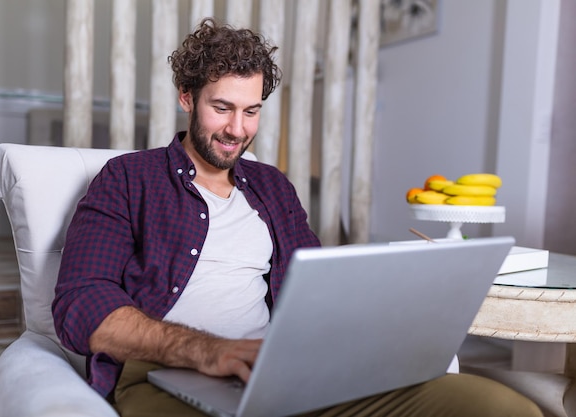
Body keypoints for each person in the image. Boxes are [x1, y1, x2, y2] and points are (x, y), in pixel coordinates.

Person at [53, 18, 542, 417]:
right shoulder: (127, 179)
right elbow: (80, 304)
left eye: (252, 111)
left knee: (499, 406)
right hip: (168, 375)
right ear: (186, 96)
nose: (236, 130)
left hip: (284, 369)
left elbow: (319, 291)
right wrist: (208, 351)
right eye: (221, 108)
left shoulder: (271, 187)